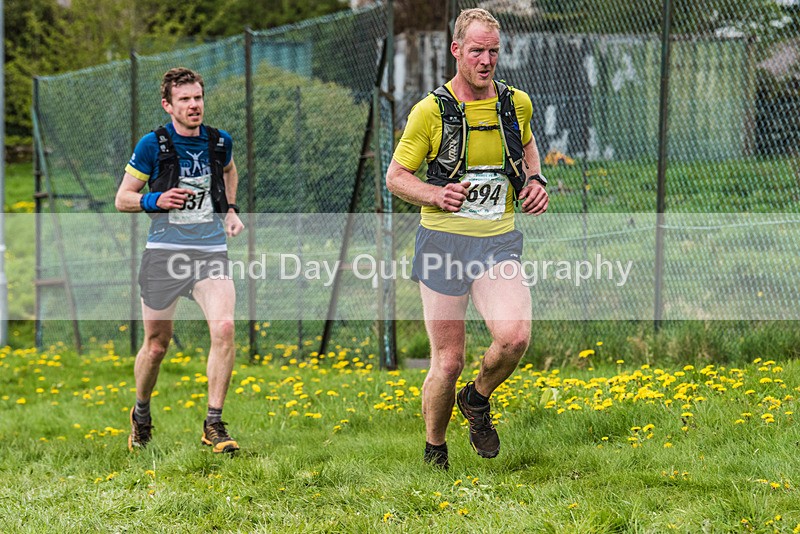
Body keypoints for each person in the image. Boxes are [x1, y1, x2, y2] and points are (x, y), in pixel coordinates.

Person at [386, 8, 549, 469]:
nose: (486, 60)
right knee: (448, 361)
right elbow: (396, 177)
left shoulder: (516, 103)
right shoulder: (430, 112)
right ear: (456, 50)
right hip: (442, 244)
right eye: (477, 50)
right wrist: (437, 193)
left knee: (514, 337)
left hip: (496, 241)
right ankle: (434, 448)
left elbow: (529, 143)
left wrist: (535, 181)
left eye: (493, 51)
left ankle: (476, 400)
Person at [115, 67, 245, 454]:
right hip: (163, 254)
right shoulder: (151, 145)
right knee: (156, 345)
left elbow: (229, 171)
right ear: (168, 105)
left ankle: (214, 424)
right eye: (185, 99)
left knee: (223, 327)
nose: (194, 105)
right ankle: (141, 415)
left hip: (209, 252)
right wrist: (156, 200)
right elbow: (122, 198)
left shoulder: (219, 142)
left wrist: (231, 210)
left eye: (198, 98)